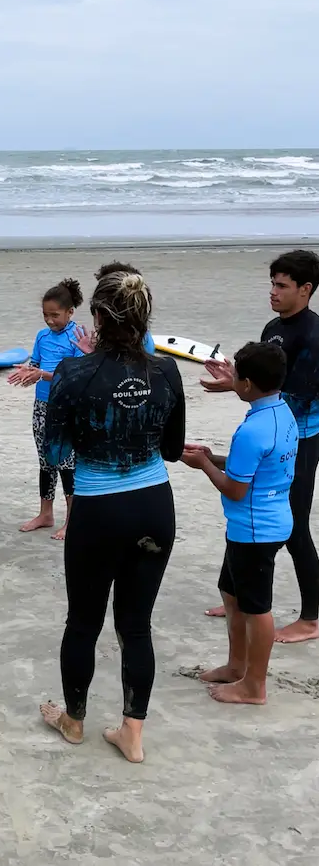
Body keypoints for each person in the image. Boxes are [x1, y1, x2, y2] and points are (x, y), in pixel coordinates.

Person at [39, 271, 185, 764]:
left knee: (83, 621)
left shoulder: (73, 372)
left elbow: (54, 453)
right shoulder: (167, 371)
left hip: (98, 509)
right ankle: (132, 733)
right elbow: (171, 449)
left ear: (97, 317)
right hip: (153, 506)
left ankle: (74, 721)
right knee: (136, 625)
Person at [201, 249, 319, 641]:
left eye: (281, 285)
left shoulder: (313, 334)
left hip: (299, 437)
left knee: (294, 524)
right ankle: (237, 593)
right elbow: (268, 382)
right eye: (272, 283)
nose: (273, 291)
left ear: (305, 289)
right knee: (243, 515)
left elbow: (297, 393)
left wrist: (241, 387)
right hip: (267, 429)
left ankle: (311, 618)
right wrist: (237, 380)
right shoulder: (274, 327)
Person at [182, 342, 297, 705]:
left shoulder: (252, 430)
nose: (231, 381)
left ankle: (254, 686)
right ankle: (237, 666)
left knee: (257, 608)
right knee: (231, 595)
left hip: (255, 529)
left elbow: (235, 489)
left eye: (235, 376)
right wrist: (213, 456)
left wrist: (204, 466)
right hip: (266, 521)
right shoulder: (283, 411)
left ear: (247, 384)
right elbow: (255, 465)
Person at [8, 278, 84, 539]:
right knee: (45, 460)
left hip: (67, 407)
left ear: (70, 312)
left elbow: (76, 375)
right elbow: (37, 363)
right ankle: (46, 513)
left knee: (66, 463)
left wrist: (42, 374)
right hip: (42, 405)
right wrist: (28, 371)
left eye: (55, 315)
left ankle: (72, 519)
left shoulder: (78, 337)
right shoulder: (42, 336)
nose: (50, 320)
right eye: (45, 315)